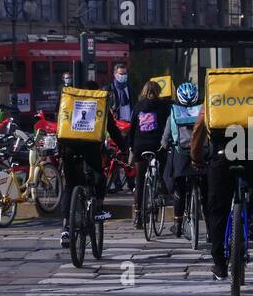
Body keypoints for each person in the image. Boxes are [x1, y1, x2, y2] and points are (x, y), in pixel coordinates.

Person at [190, 85, 253, 280]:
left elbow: (198, 131)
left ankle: (219, 264)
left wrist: (196, 158)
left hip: (221, 158)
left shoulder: (212, 102)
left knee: (217, 210)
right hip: (251, 155)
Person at [58, 80, 127, 246]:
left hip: (69, 148)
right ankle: (98, 209)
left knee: (69, 186)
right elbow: (112, 129)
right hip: (91, 148)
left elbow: (60, 123)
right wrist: (124, 147)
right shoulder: (99, 103)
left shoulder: (70, 100)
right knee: (99, 177)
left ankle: (66, 227)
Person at [161, 81, 203, 238]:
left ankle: (178, 226)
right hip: (200, 153)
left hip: (181, 154)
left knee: (179, 189)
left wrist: (164, 145)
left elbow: (166, 135)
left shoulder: (174, 110)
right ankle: (211, 231)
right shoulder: (202, 109)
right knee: (205, 188)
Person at [131, 80, 172, 228]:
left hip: (140, 146)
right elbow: (168, 125)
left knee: (140, 181)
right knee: (163, 161)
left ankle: (138, 216)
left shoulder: (138, 106)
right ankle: (160, 181)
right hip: (157, 145)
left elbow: (132, 128)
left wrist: (131, 146)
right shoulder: (163, 106)